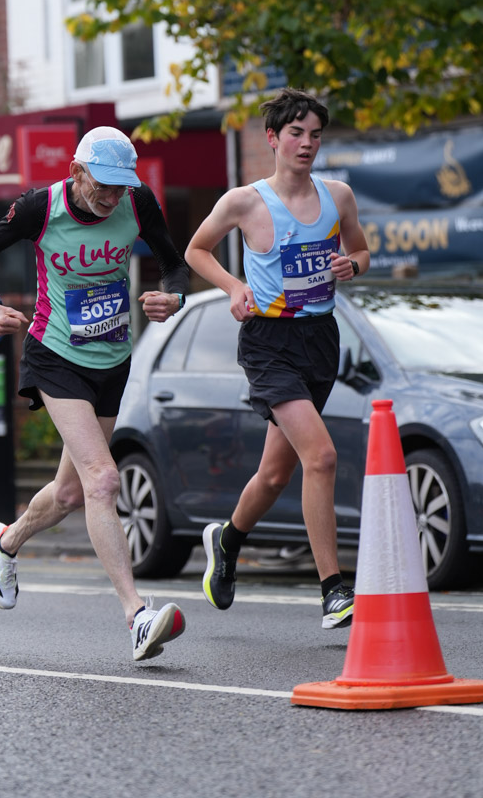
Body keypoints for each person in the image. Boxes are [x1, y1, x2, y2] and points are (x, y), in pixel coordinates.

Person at [0, 126, 188, 661]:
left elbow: (173, 261)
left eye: (120, 187)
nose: (112, 197)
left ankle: (4, 543)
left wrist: (173, 296)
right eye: (102, 186)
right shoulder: (39, 208)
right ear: (76, 172)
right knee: (103, 479)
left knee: (70, 494)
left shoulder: (138, 203)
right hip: (55, 356)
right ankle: (136, 615)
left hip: (112, 359)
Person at [184, 87, 370, 630]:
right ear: (273, 138)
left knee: (272, 475)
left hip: (319, 341)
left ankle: (227, 539)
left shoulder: (339, 197)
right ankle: (334, 588)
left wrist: (350, 267)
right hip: (268, 342)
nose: (307, 143)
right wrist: (232, 286)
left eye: (315, 135)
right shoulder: (245, 201)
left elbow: (361, 250)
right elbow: (197, 249)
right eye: (296, 133)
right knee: (323, 457)